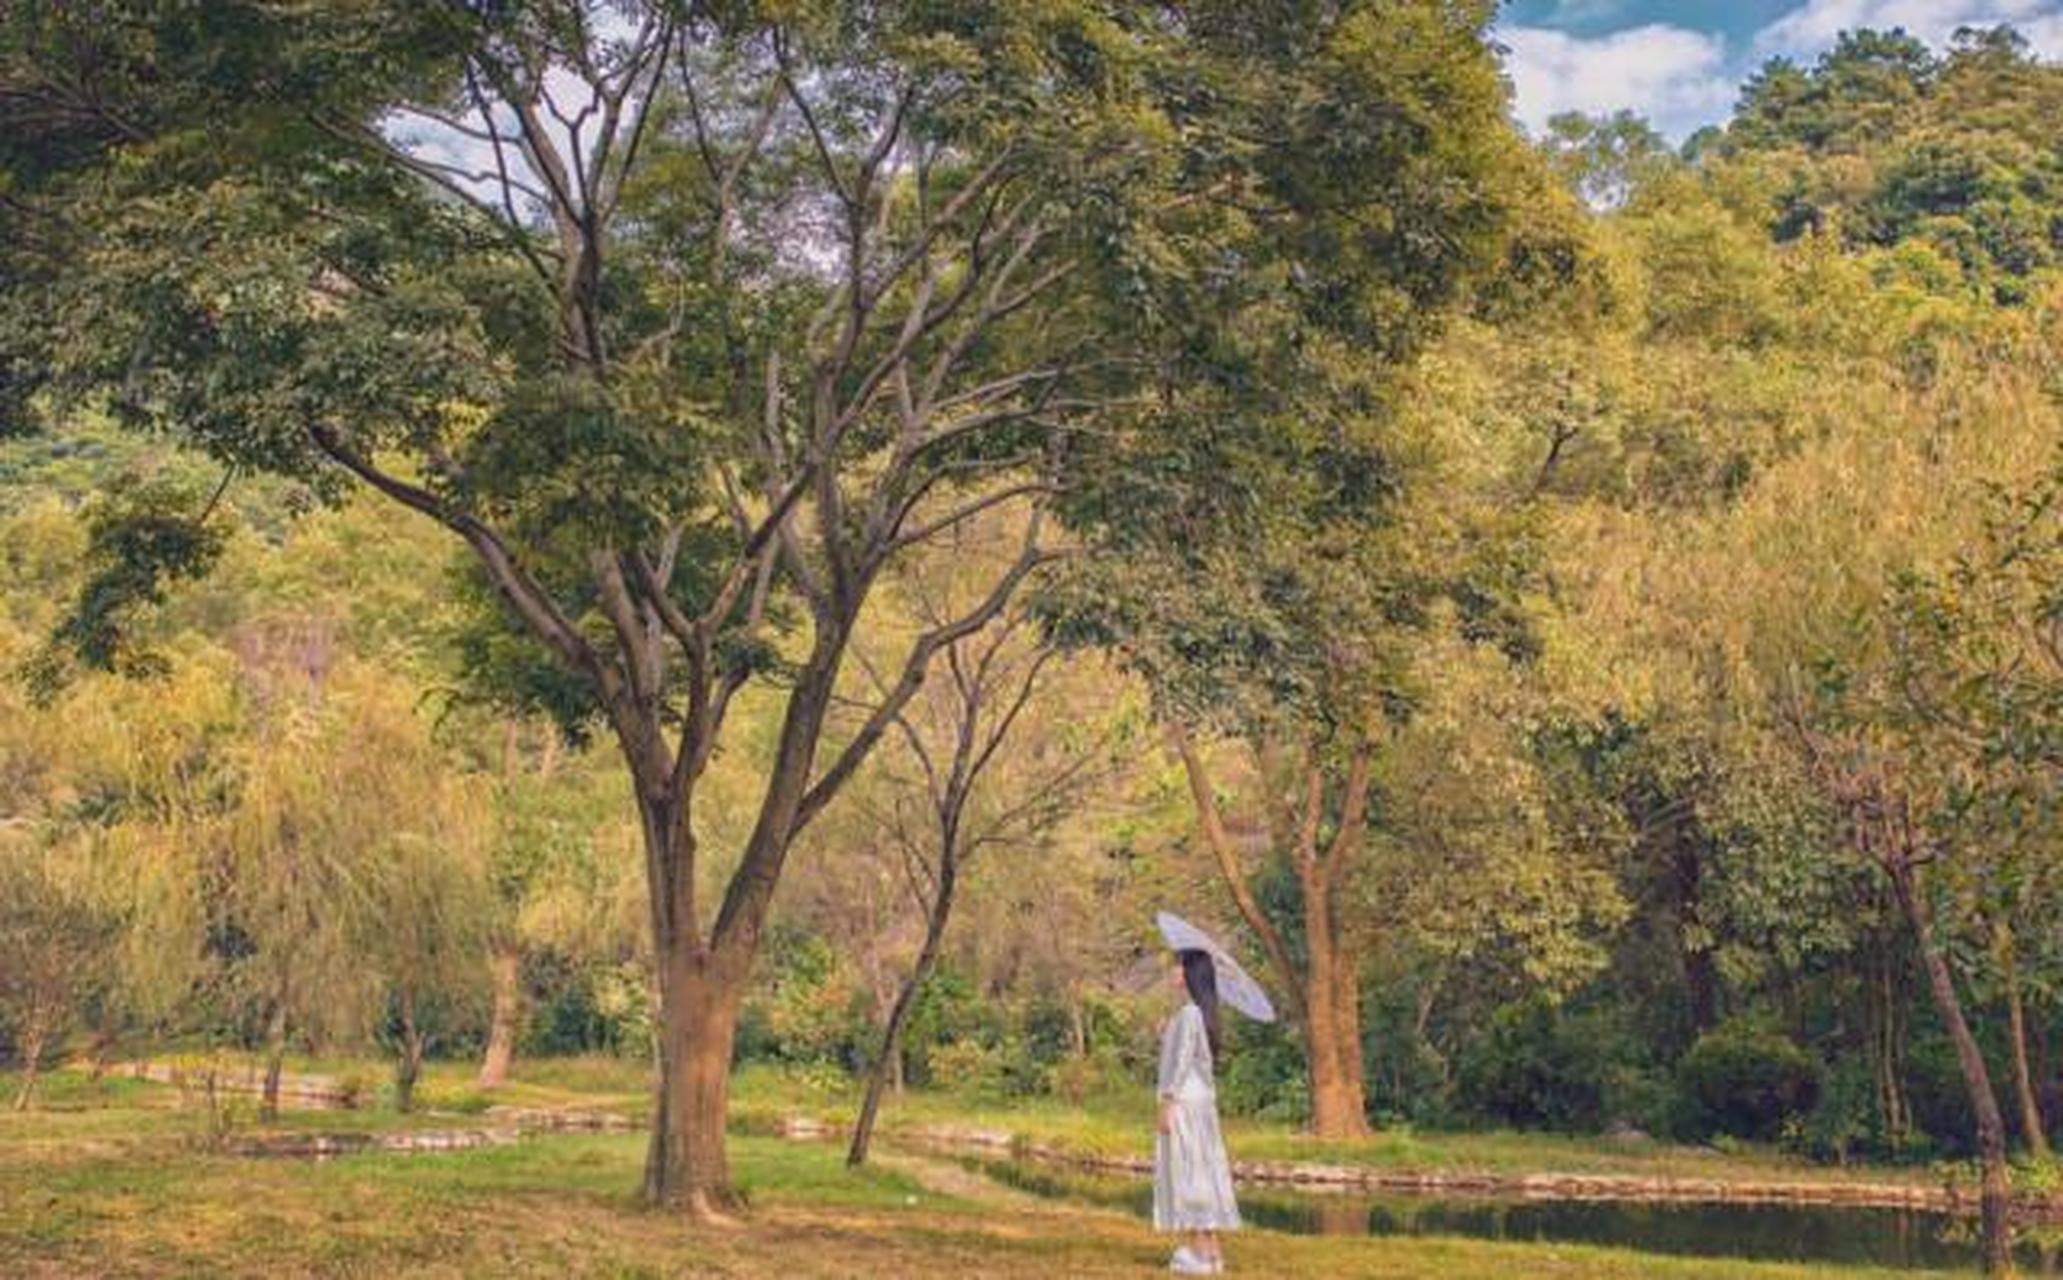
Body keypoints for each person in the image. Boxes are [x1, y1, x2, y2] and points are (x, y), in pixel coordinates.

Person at [1155, 948, 1239, 1275]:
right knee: (1201, 1172)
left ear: (1190, 973)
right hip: (1201, 1104)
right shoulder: (1201, 1013)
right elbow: (1191, 1055)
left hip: (1185, 1105)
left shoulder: (1189, 1014)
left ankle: (1200, 1254)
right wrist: (1166, 1034)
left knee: (1188, 1174)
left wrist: (1167, 1100)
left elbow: (1181, 1062)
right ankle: (1212, 1252)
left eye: (1178, 967)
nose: (1173, 973)